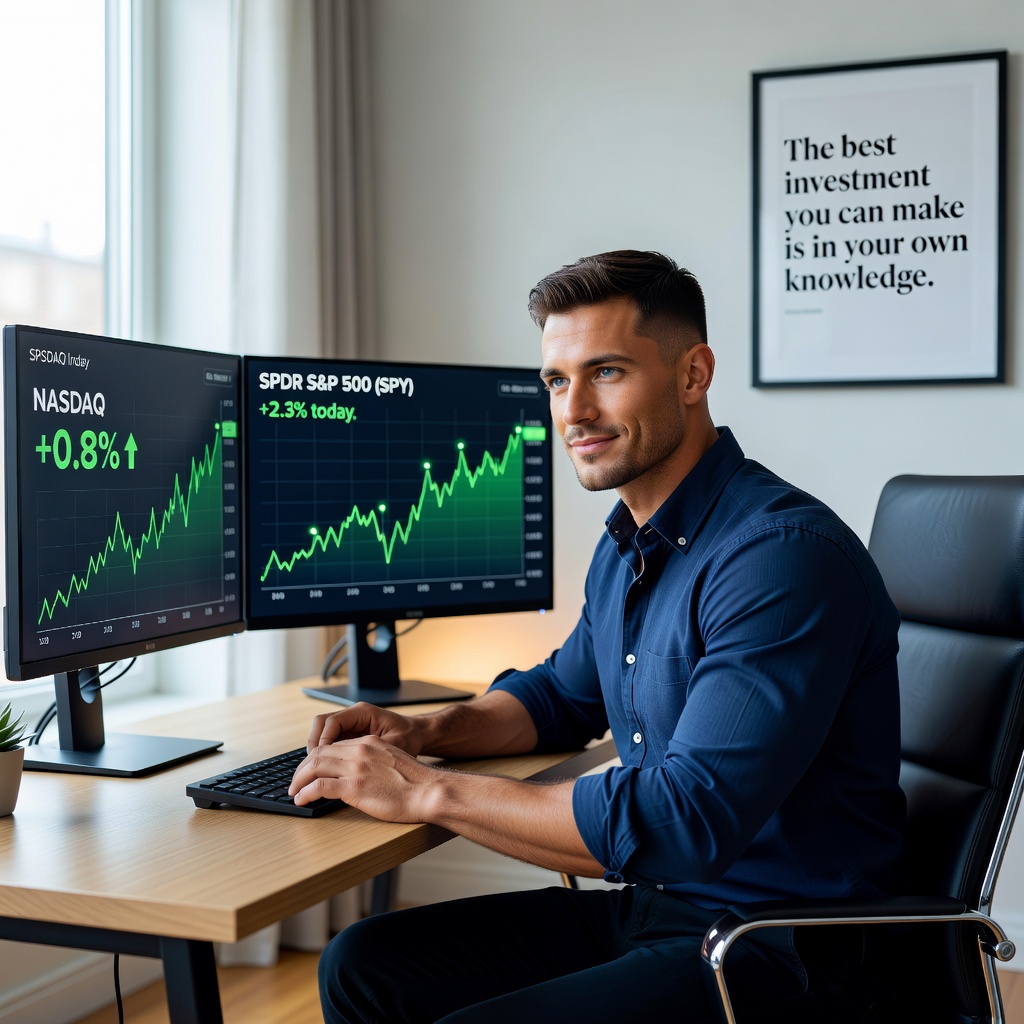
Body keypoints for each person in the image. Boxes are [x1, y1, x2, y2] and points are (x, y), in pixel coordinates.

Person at [290, 250, 906, 1023]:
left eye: (606, 372)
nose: (572, 410)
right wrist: (424, 733)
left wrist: (428, 790)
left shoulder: (780, 558)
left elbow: (687, 819)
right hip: (667, 910)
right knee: (365, 966)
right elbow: (558, 695)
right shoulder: (630, 542)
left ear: (693, 375)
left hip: (783, 947)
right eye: (556, 380)